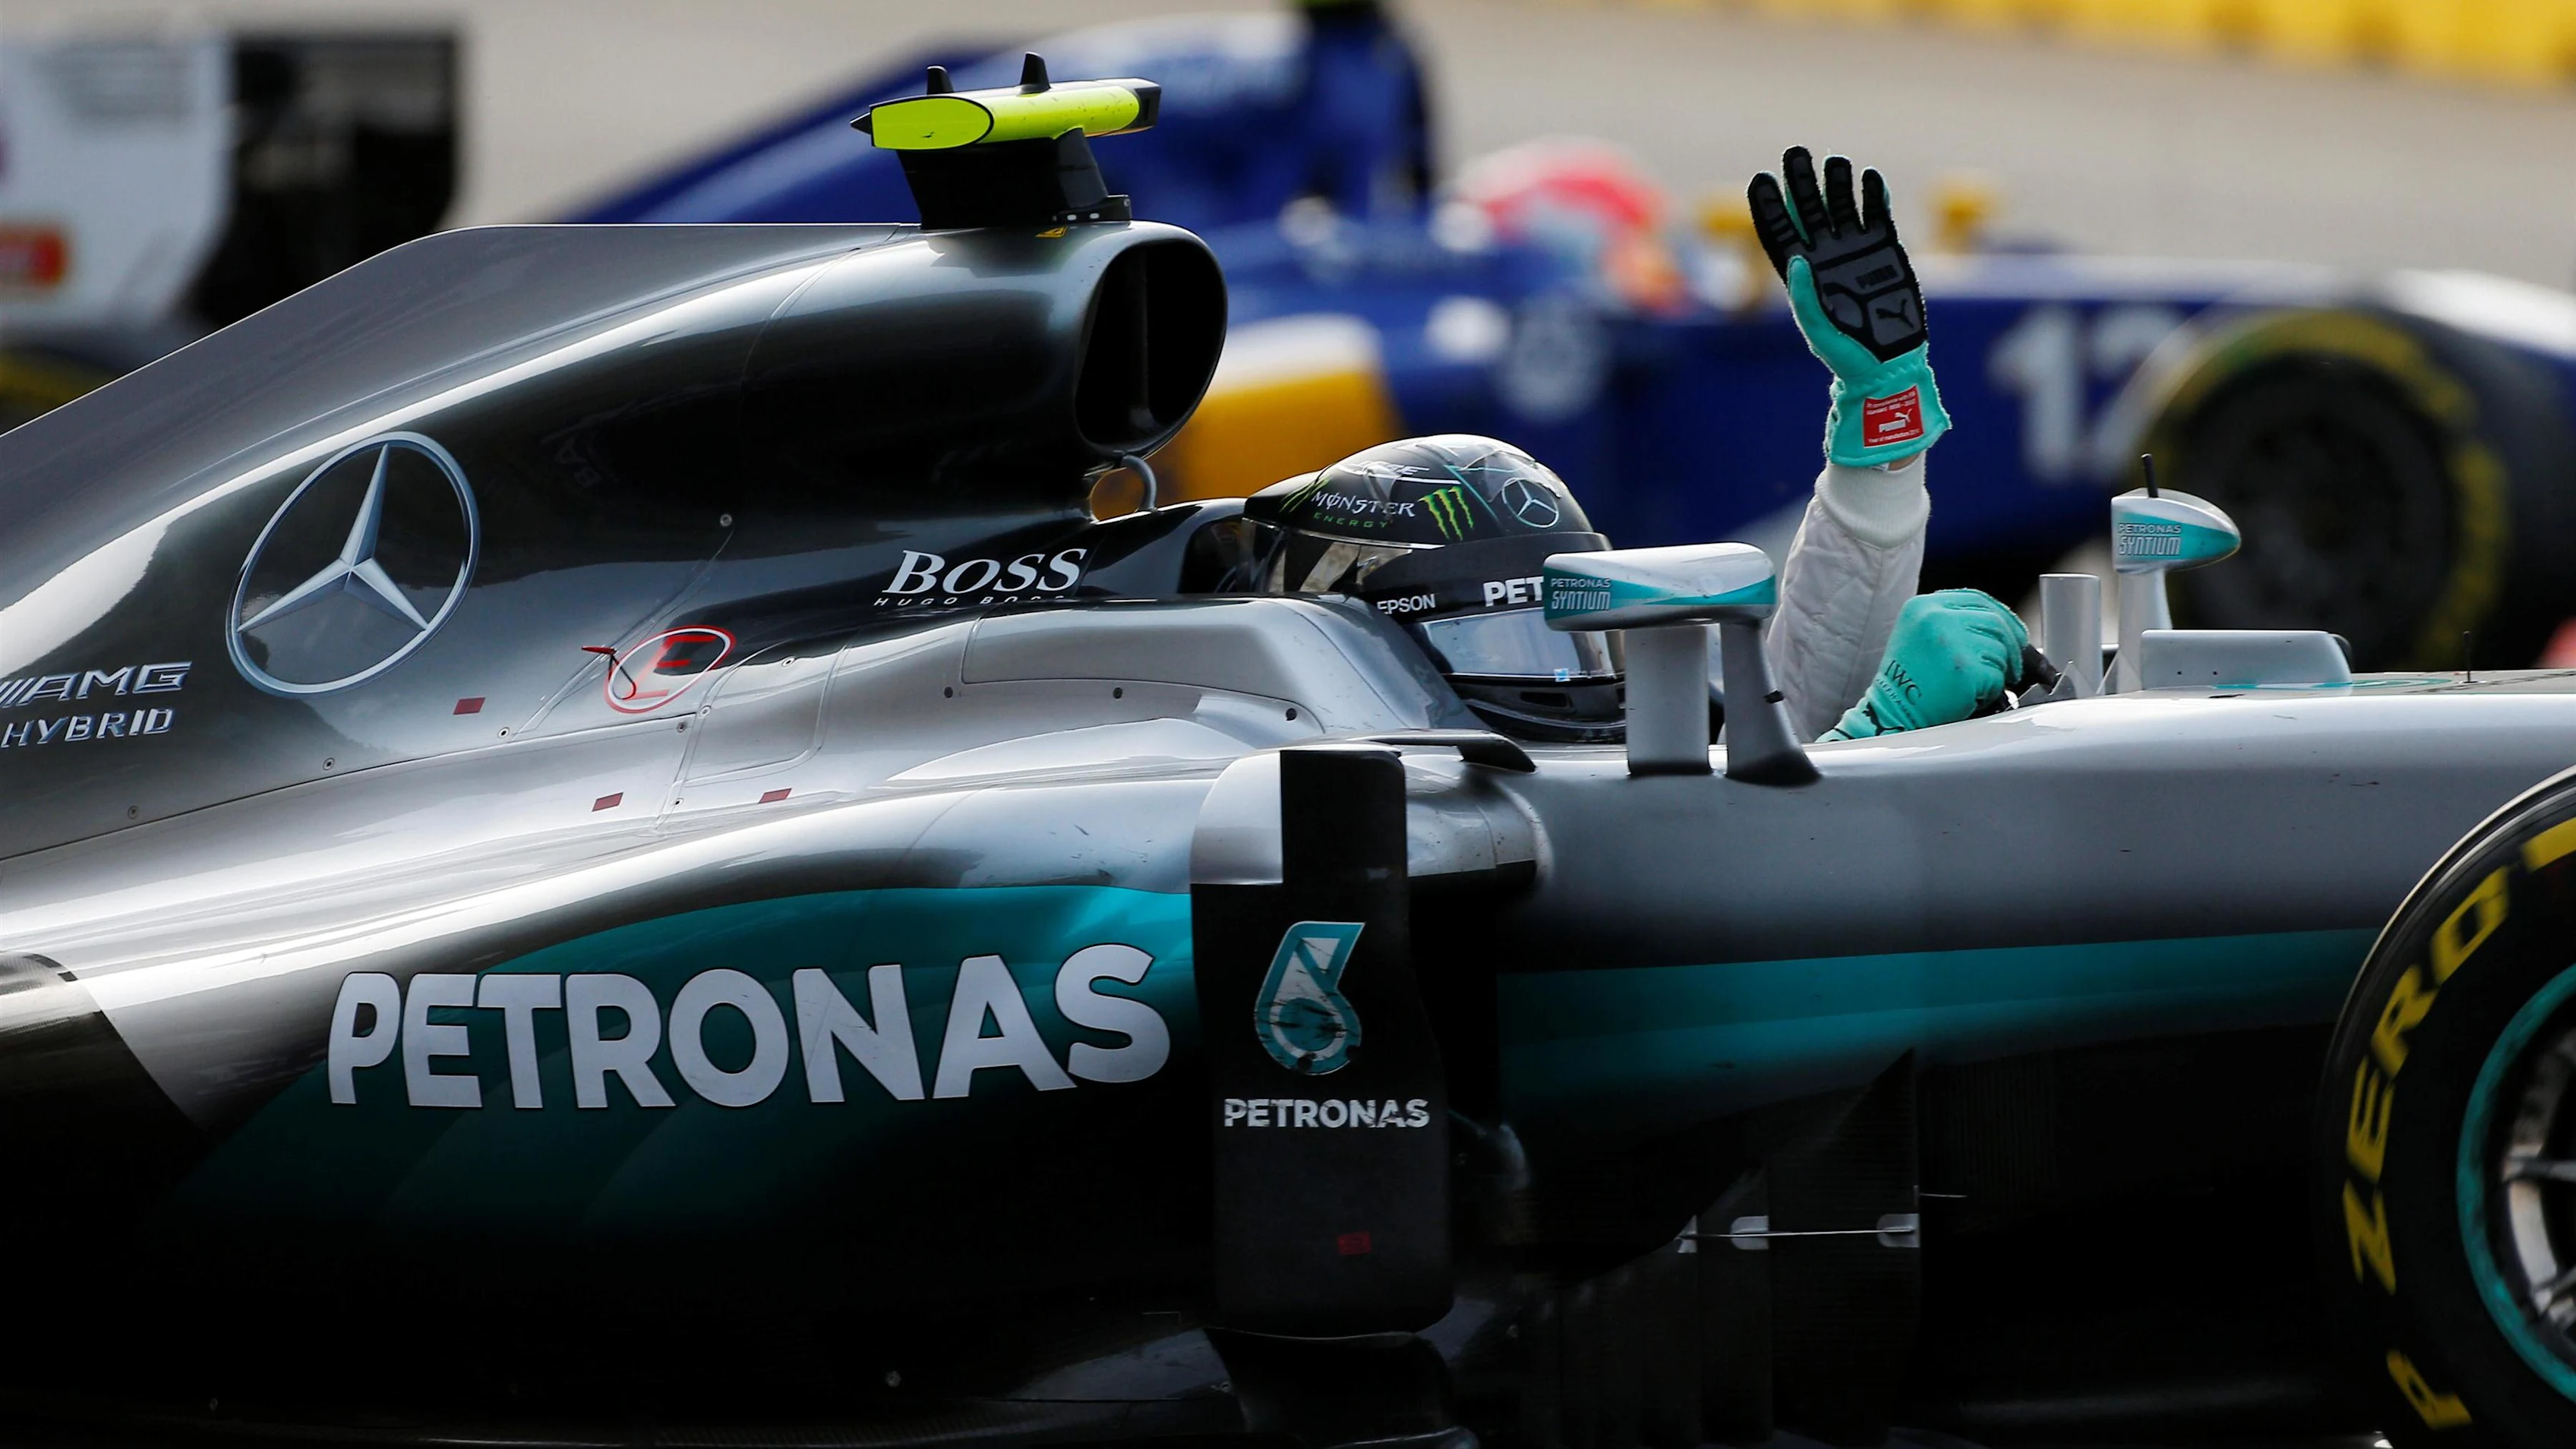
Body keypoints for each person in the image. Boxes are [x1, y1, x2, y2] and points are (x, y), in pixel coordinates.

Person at [1226, 147, 2030, 746]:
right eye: (1493, 639)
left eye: (1560, 639)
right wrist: (1872, 738)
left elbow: (1788, 714)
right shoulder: (1371, 822)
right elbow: (1720, 876)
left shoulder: (1601, 735)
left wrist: (1882, 423)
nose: (1553, 680)